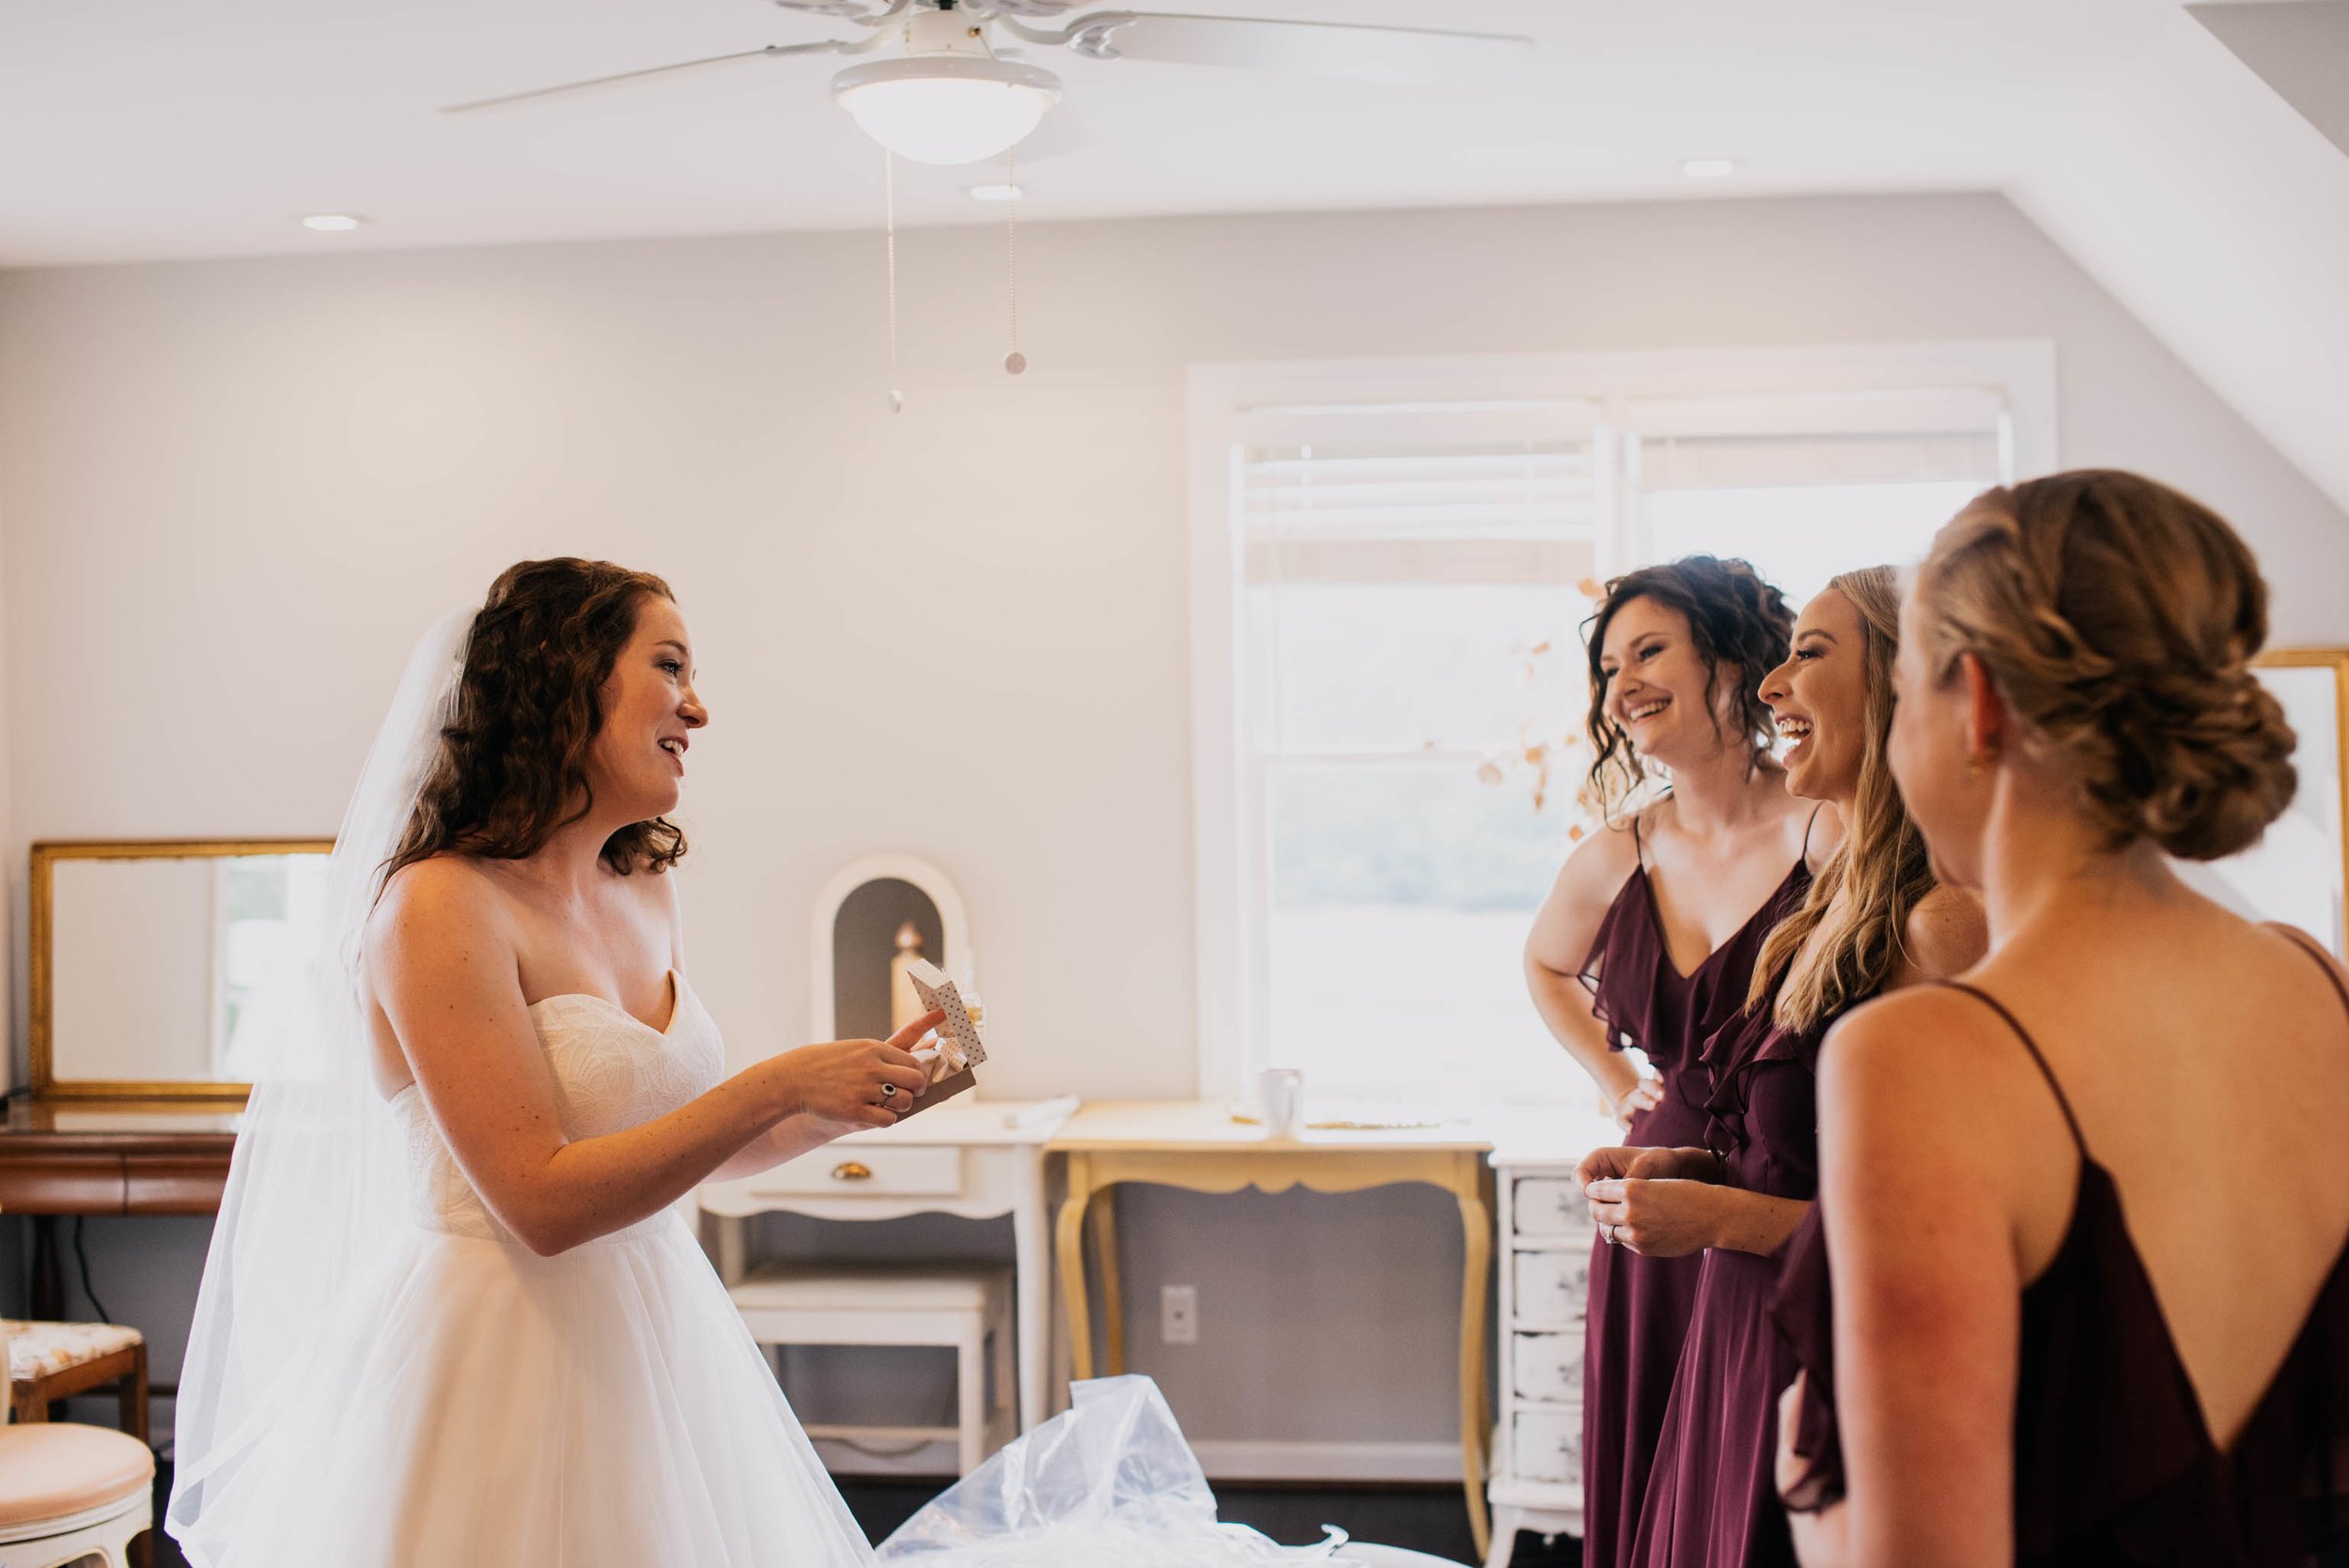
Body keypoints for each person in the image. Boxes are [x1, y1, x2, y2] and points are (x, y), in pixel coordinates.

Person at [169, 559, 941, 1567]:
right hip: (497, 1351)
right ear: (564, 675)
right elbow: (537, 1202)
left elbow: (681, 1144)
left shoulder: (644, 888)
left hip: (656, 1335)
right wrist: (779, 1081)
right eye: (670, 667)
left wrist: (840, 1104)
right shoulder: (439, 905)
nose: (697, 709)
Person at [1773, 472, 2349, 1566]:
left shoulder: (1920, 1055)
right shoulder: (2314, 983)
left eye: (1905, 693)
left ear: (1977, 706)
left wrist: (1811, 1497)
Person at [1595, 567, 1983, 1568]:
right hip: (1740, 1338)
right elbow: (1816, 1162)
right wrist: (1701, 1177)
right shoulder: (1827, 907)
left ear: (1902, 680)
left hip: (1823, 1355)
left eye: (1807, 654)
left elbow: (1958, 1244)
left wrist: (1723, 1219)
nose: (1772, 687)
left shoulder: (1940, 924)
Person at [1524, 555, 1825, 1568]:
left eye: (1648, 650)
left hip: (1778, 1195)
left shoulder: (1828, 824)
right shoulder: (1621, 850)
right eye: (1609, 667)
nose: (1623, 685)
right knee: (1650, 1449)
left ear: (1732, 657)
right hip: (1651, 1210)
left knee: (1765, 1489)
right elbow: (1544, 963)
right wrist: (1616, 1081)